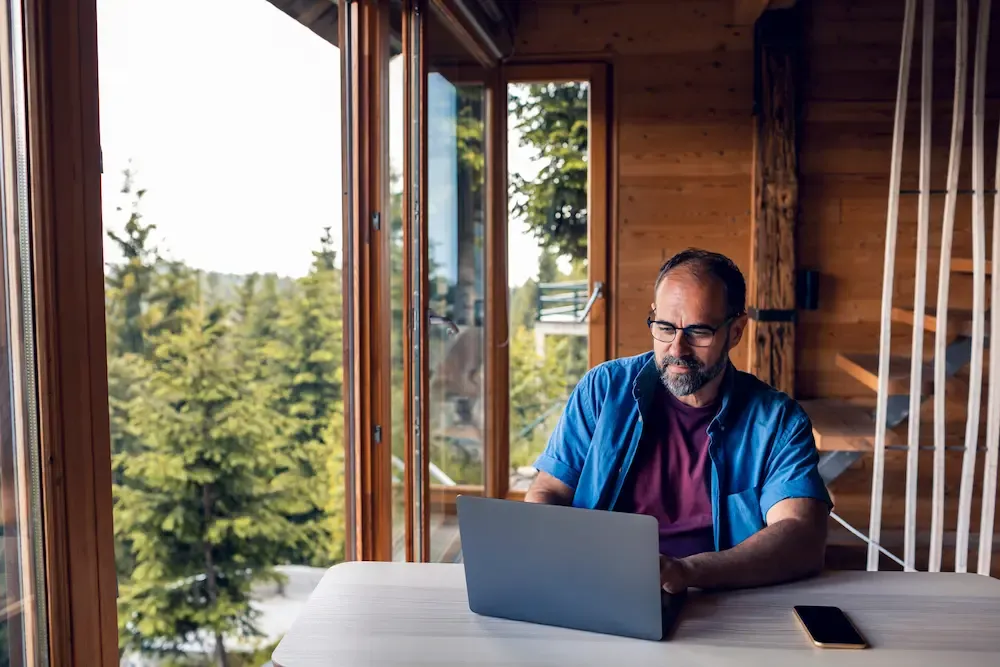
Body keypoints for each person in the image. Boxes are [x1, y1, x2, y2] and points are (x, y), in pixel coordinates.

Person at [525, 248, 830, 594]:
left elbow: (802, 536)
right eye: (666, 328)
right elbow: (548, 491)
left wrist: (687, 572)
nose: (677, 349)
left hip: (721, 599)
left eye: (699, 332)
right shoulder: (603, 389)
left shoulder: (777, 422)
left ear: (736, 331)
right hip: (598, 587)